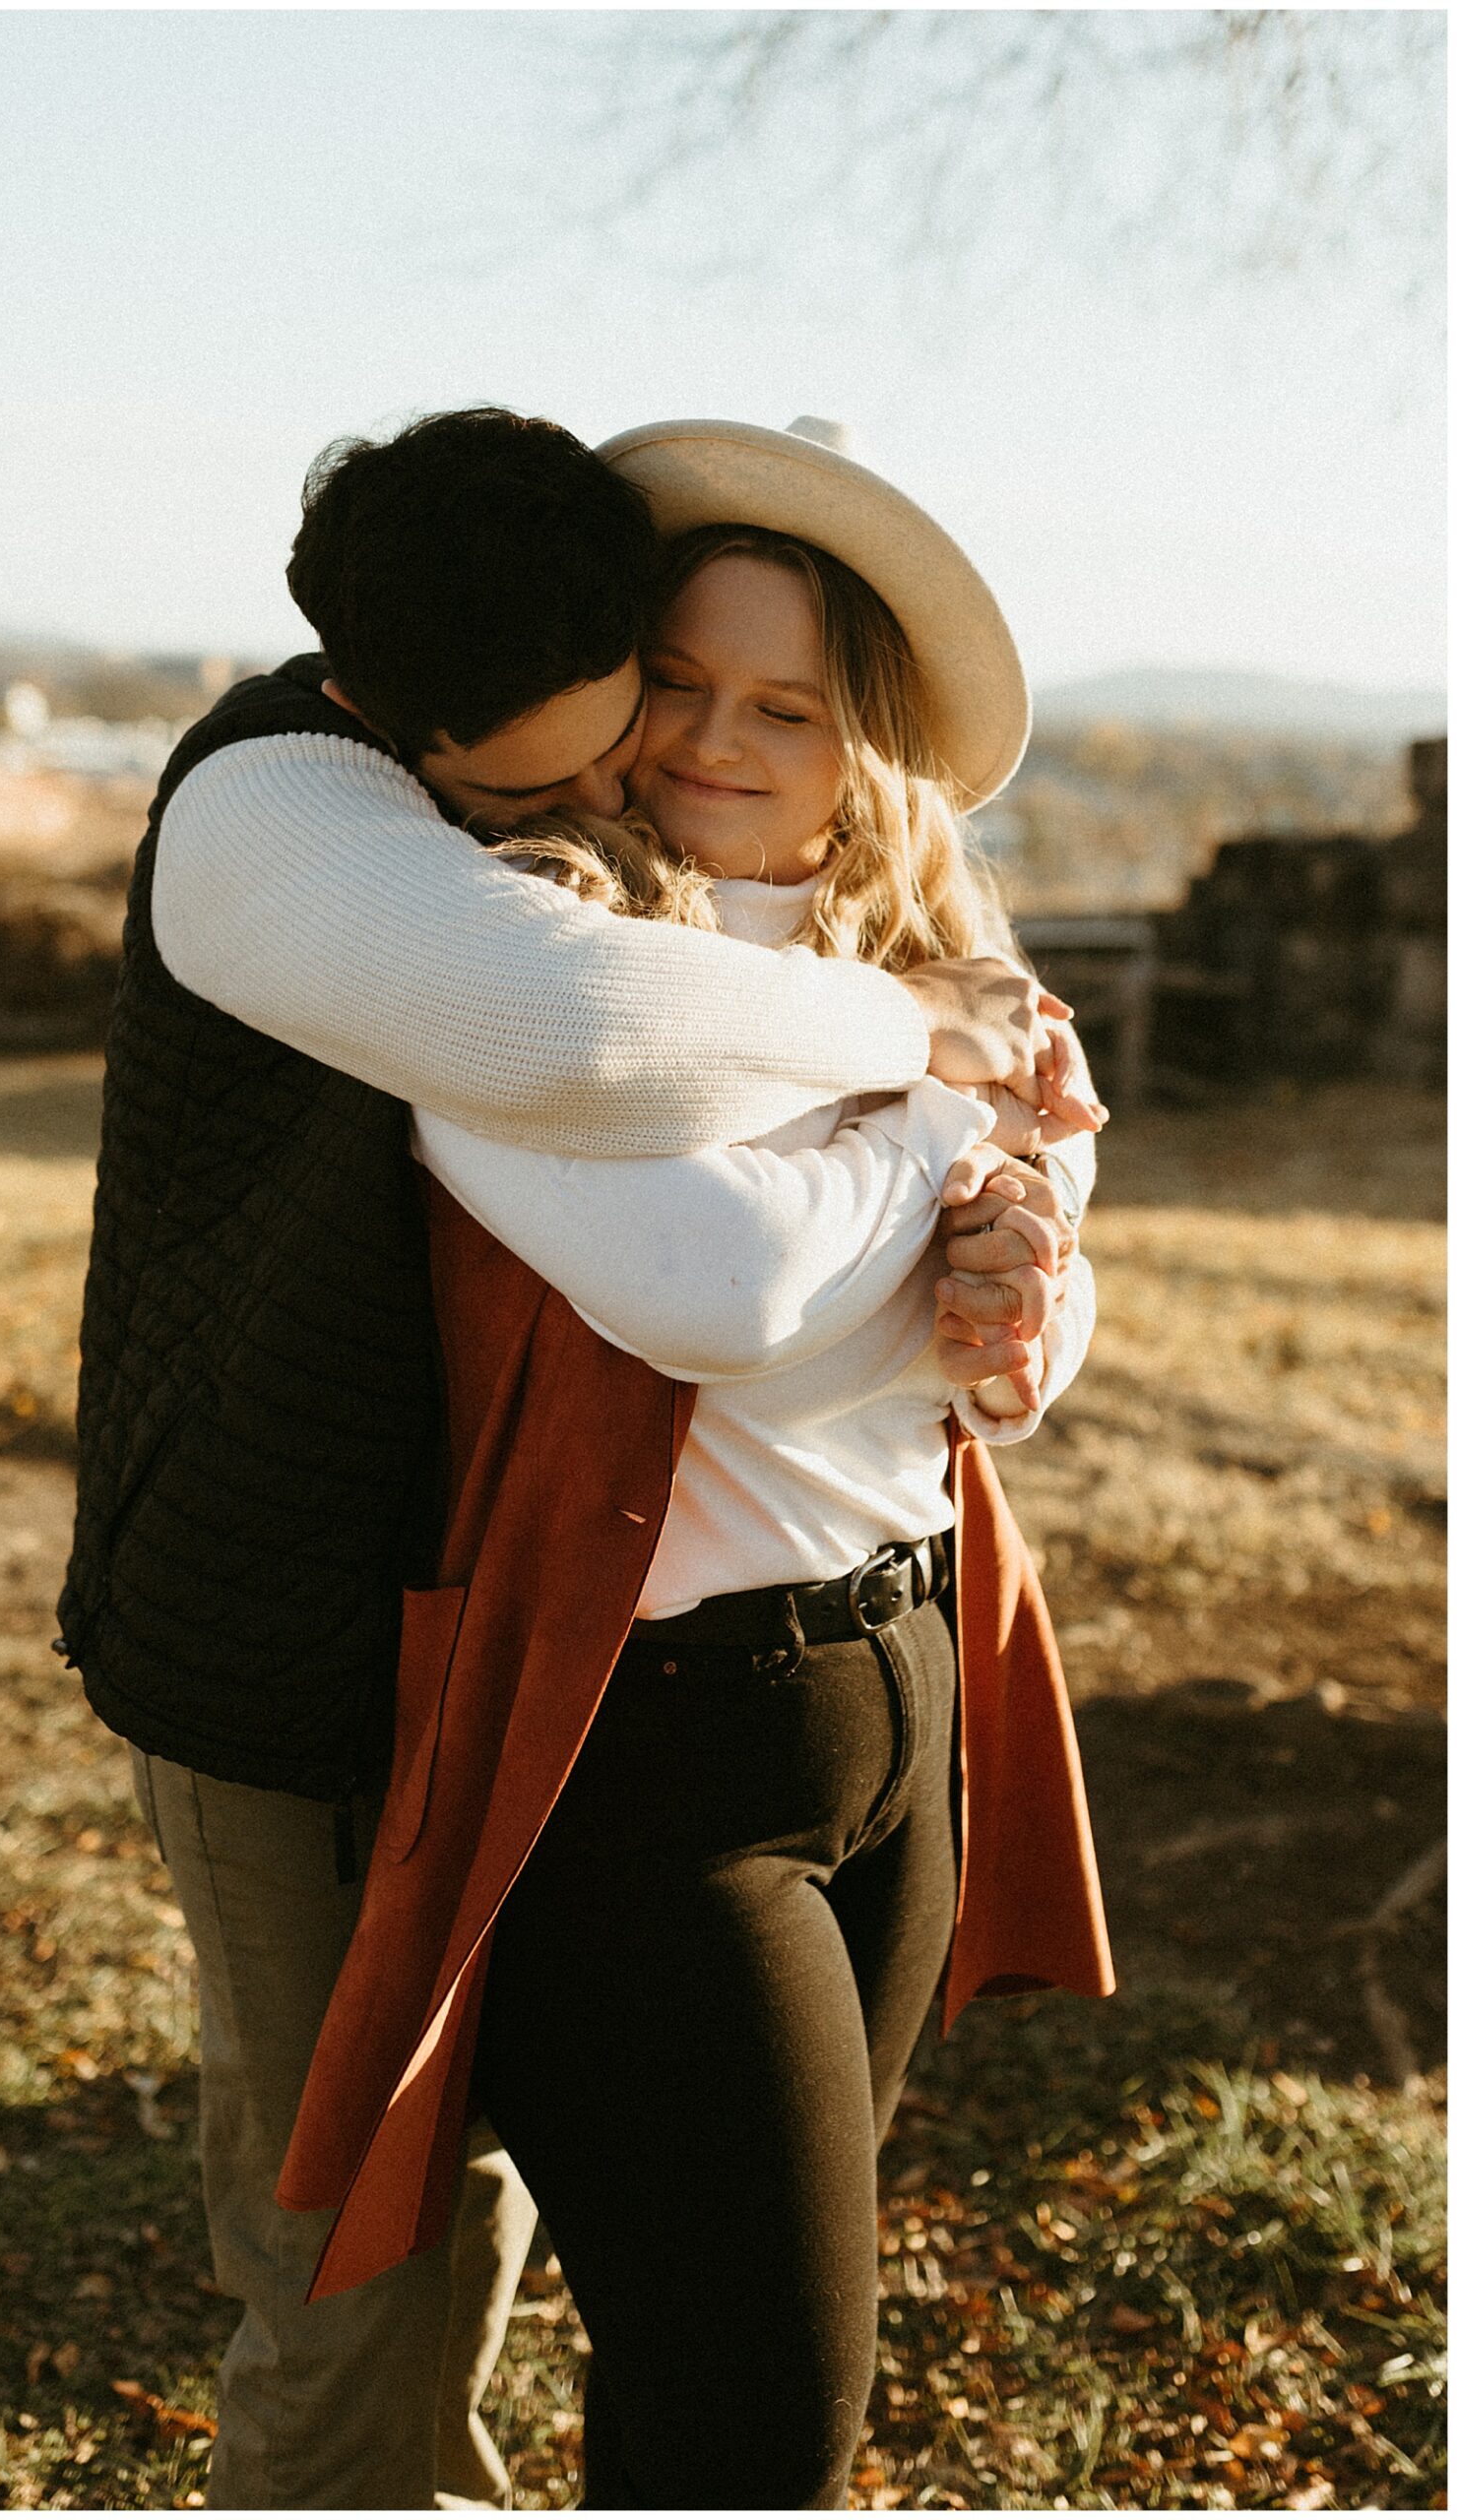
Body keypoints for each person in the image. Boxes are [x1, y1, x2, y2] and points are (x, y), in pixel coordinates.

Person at [60, 408, 1077, 2509]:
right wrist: (933, 1121)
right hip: (389, 1669)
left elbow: (992, 1347)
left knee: (620, 2278)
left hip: (869, 1699)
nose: (703, 736)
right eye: (674, 682)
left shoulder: (896, 952)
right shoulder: (455, 894)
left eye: (780, 703)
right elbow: (703, 1268)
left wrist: (1003, 1246)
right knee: (380, 2298)